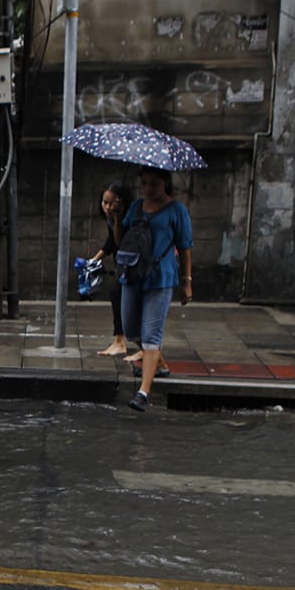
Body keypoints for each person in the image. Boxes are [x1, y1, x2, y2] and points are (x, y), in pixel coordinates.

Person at [122, 167, 193, 412]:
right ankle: (159, 364)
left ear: (165, 184)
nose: (149, 189)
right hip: (133, 274)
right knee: (132, 331)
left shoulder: (176, 211)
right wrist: (112, 218)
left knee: (151, 335)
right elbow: (123, 235)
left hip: (161, 277)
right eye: (145, 183)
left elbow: (185, 247)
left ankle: (144, 392)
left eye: (154, 184)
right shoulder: (135, 207)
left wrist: (187, 280)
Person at [88, 181, 133, 357]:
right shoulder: (111, 218)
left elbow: (119, 242)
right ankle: (122, 340)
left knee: (117, 293)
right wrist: (94, 259)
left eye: (111, 203)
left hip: (132, 266)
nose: (107, 207)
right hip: (122, 265)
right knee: (117, 294)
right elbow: (109, 244)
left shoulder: (128, 218)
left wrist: (117, 221)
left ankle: (121, 341)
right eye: (104, 202)